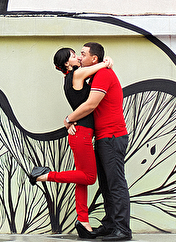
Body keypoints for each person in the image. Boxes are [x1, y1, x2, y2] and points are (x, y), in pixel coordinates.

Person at [28, 47, 113, 239]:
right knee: (89, 177)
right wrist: (107, 61)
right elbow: (101, 66)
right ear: (67, 63)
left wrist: (69, 121)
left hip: (80, 132)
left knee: (81, 178)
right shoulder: (76, 74)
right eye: (74, 56)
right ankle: (43, 176)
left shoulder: (70, 78)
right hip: (81, 133)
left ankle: (83, 222)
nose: (78, 58)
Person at [64, 42, 132, 241]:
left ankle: (122, 229)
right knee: (106, 184)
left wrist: (68, 119)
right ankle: (110, 225)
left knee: (116, 183)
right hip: (103, 137)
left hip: (113, 136)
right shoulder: (95, 74)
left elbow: (91, 105)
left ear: (94, 58)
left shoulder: (103, 74)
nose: (80, 57)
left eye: (83, 54)